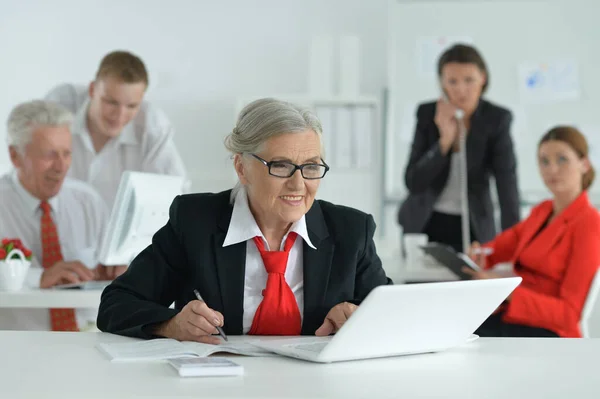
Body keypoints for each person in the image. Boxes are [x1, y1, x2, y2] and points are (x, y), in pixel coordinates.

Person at [97, 98, 392, 342]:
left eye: (311, 167)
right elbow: (116, 304)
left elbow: (395, 318)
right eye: (281, 166)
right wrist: (170, 324)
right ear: (242, 168)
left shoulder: (351, 231)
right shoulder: (194, 222)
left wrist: (358, 318)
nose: (298, 184)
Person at [0, 100, 127, 331]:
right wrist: (39, 278)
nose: (61, 166)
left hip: (86, 338)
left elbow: (110, 273)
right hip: (15, 345)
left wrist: (116, 273)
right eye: (49, 155)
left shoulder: (88, 201)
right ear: (15, 156)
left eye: (66, 153)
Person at [465, 126, 600, 338]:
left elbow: (569, 314)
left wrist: (508, 292)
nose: (551, 169)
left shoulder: (589, 223)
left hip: (548, 329)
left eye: (562, 159)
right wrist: (479, 255)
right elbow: (500, 248)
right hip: (513, 316)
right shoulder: (542, 211)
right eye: (544, 161)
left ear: (584, 164)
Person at [398, 44, 520, 253]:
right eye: (452, 81)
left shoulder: (496, 119)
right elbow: (414, 181)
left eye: (469, 80)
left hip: (473, 226)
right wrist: (444, 142)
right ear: (442, 83)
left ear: (483, 78)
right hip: (426, 222)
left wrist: (514, 242)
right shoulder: (428, 114)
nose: (461, 89)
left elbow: (506, 183)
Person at [44, 50, 188, 208]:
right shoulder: (59, 106)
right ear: (92, 90)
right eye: (111, 102)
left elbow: (174, 192)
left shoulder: (152, 127)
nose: (120, 115)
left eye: (131, 106)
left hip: (119, 228)